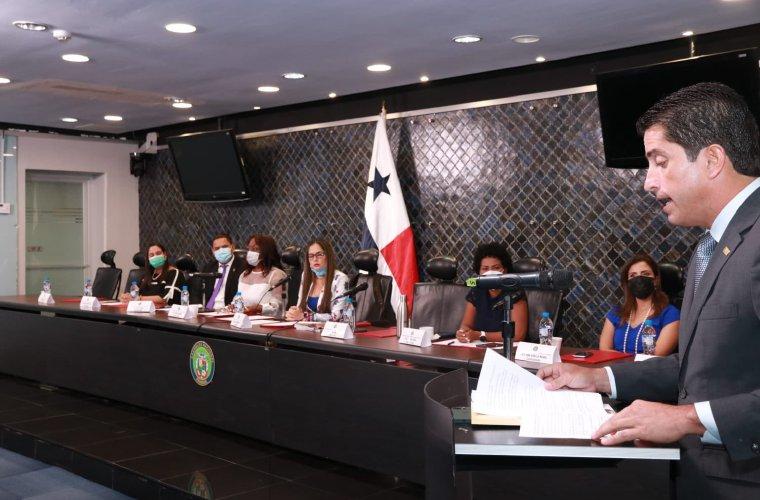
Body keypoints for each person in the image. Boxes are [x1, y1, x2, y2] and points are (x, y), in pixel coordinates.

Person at [537, 82, 760, 497]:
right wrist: (599, 378)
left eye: (660, 162)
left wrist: (688, 418)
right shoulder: (710, 247)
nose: (648, 182)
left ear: (712, 159)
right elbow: (696, 369)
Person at [599, 253, 680, 355]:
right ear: (628, 283)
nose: (639, 279)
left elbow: (656, 355)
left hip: (649, 365)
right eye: (633, 275)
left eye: (645, 274)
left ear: (655, 280)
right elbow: (604, 349)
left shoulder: (670, 314)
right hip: (614, 365)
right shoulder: (616, 313)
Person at [456, 243, 528, 343]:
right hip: (477, 347)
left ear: (505, 270)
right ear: (479, 272)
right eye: (485, 268)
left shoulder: (515, 291)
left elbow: (517, 335)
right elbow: (466, 325)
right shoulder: (476, 290)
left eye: (496, 268)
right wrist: (463, 333)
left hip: (506, 348)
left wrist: (481, 335)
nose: (490, 272)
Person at [285, 238, 348, 322]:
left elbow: (337, 316)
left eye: (319, 254)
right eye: (311, 256)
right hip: (306, 328)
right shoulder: (305, 276)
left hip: (329, 329)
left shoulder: (341, 278)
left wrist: (307, 317)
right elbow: (300, 307)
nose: (315, 259)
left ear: (328, 256)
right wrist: (294, 313)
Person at [236, 234, 287, 316]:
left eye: (255, 249)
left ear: (266, 251)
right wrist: (233, 306)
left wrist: (259, 308)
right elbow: (237, 299)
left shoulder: (276, 274)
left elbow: (278, 306)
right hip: (243, 319)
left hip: (267, 321)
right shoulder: (244, 274)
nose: (250, 252)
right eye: (249, 249)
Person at [120, 243, 185, 306]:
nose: (155, 257)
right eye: (151, 255)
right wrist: (126, 297)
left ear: (165, 255)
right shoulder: (147, 275)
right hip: (145, 310)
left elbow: (166, 298)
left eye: (158, 253)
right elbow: (135, 294)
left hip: (166, 312)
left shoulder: (174, 273)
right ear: (148, 259)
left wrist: (138, 299)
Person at [195, 233, 246, 311]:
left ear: (232, 247)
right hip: (208, 311)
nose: (221, 250)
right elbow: (197, 291)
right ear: (212, 251)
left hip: (228, 311)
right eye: (217, 248)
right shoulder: (209, 267)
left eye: (224, 247)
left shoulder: (243, 267)